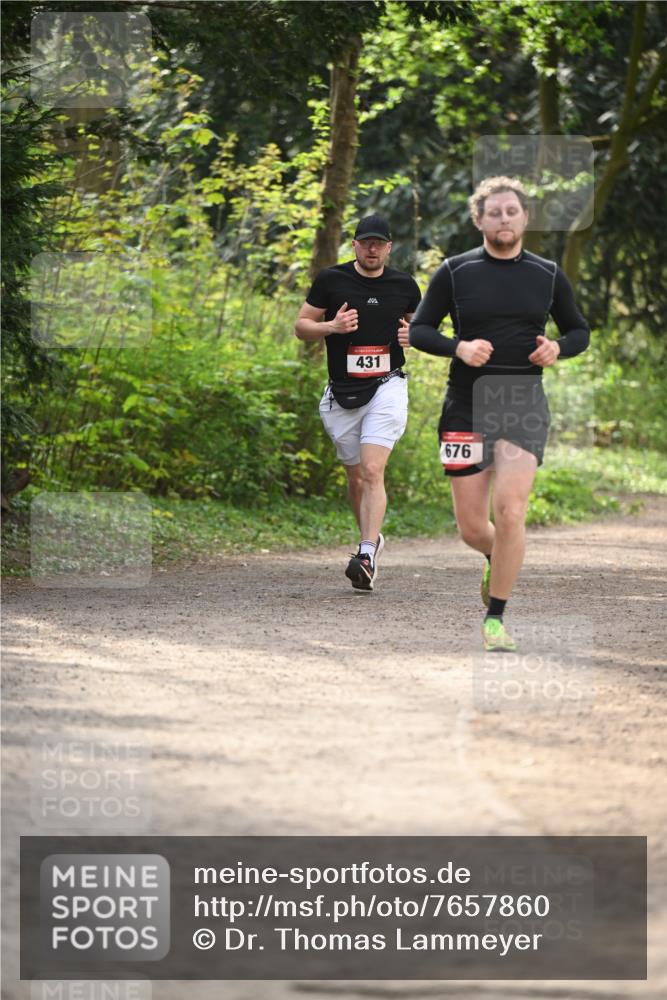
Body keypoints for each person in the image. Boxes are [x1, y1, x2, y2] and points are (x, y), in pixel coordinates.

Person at [409, 176, 590, 651]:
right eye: (494, 212)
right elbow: (421, 330)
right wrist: (459, 347)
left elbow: (579, 331)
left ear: (525, 217)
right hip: (465, 407)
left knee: (510, 511)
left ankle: (495, 620)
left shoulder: (548, 274)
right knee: (472, 527)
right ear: (479, 219)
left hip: (522, 404)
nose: (504, 219)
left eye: (512, 211)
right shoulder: (455, 271)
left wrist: (557, 347)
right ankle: (498, 556)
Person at [295, 214, 421, 591]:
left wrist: (415, 336)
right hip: (342, 391)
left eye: (378, 243)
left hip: (387, 385)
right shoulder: (331, 280)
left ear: (389, 247)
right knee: (355, 477)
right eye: (365, 242)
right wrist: (331, 327)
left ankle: (365, 554)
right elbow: (302, 326)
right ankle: (371, 538)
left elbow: (424, 329)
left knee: (372, 469)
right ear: (354, 245)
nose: (372, 249)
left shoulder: (404, 284)